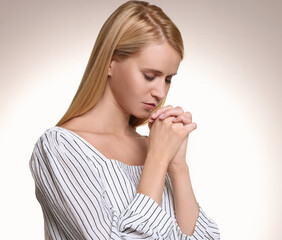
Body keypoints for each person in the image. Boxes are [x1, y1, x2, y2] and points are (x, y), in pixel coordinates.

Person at [29, 1, 220, 239]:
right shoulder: (60, 148)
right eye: (149, 76)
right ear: (110, 62)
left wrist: (177, 167)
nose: (160, 92)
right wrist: (157, 160)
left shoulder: (154, 147)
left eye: (168, 79)